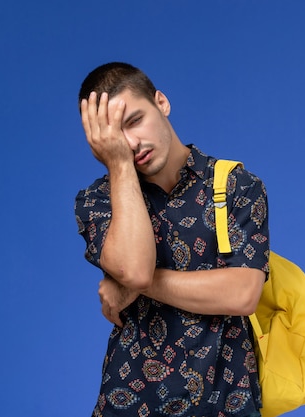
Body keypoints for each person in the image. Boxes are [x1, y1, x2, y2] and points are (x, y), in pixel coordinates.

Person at [74, 62, 270, 417]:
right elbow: (135, 269)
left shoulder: (236, 185)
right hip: (131, 404)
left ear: (161, 102)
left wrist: (130, 288)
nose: (131, 144)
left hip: (226, 403)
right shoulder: (98, 201)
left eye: (134, 121)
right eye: (116, 138)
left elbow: (242, 294)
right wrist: (118, 165)